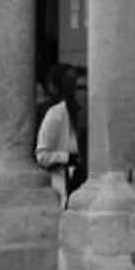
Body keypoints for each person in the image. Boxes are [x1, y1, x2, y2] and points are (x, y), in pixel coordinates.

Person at [36, 65, 87, 203]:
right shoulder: (56, 114)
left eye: (88, 87)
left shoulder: (96, 115)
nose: (85, 93)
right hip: (65, 184)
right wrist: (68, 158)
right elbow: (42, 155)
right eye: (80, 88)